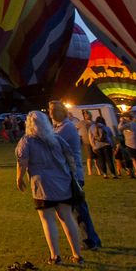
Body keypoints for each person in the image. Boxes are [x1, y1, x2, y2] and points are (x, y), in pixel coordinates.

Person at [15, 110, 85, 266]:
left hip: (42, 186)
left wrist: (19, 179)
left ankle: (55, 256)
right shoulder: (57, 139)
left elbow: (22, 162)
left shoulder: (27, 141)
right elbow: (71, 158)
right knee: (68, 218)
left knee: (48, 221)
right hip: (63, 183)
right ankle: (77, 255)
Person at [48, 102, 101, 251]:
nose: (50, 114)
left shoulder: (66, 128)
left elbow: (50, 143)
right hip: (67, 174)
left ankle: (91, 240)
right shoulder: (60, 127)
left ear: (60, 112)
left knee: (79, 209)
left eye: (53, 111)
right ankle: (89, 239)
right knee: (74, 210)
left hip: (73, 175)